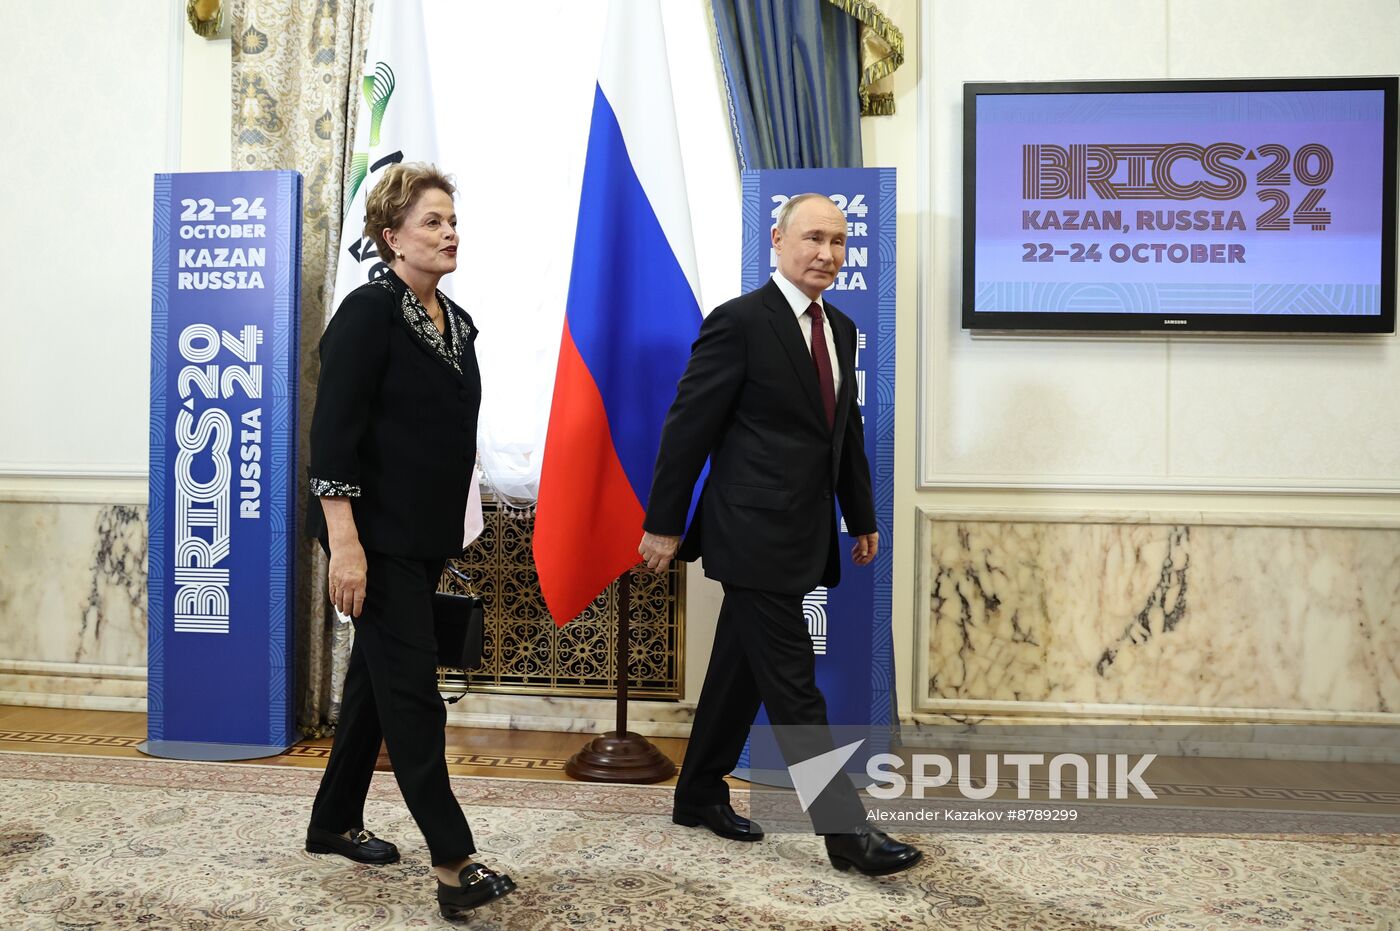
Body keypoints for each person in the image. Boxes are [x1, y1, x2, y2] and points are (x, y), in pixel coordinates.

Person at [638, 193, 921, 877]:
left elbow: (842, 431)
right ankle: (844, 830)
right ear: (778, 239)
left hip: (804, 529)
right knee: (795, 684)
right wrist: (664, 523)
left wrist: (862, 514)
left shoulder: (842, 326)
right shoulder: (738, 323)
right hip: (749, 532)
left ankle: (698, 790)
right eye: (813, 238)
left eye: (839, 242)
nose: (827, 253)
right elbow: (688, 426)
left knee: (740, 667)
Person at [303, 163, 515, 920]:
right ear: (391, 236)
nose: (449, 231)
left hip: (422, 538)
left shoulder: (456, 323)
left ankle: (331, 820)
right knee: (415, 695)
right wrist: (345, 544)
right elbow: (333, 438)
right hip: (372, 536)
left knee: (376, 682)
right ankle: (454, 860)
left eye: (452, 220)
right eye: (432, 221)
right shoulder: (369, 312)